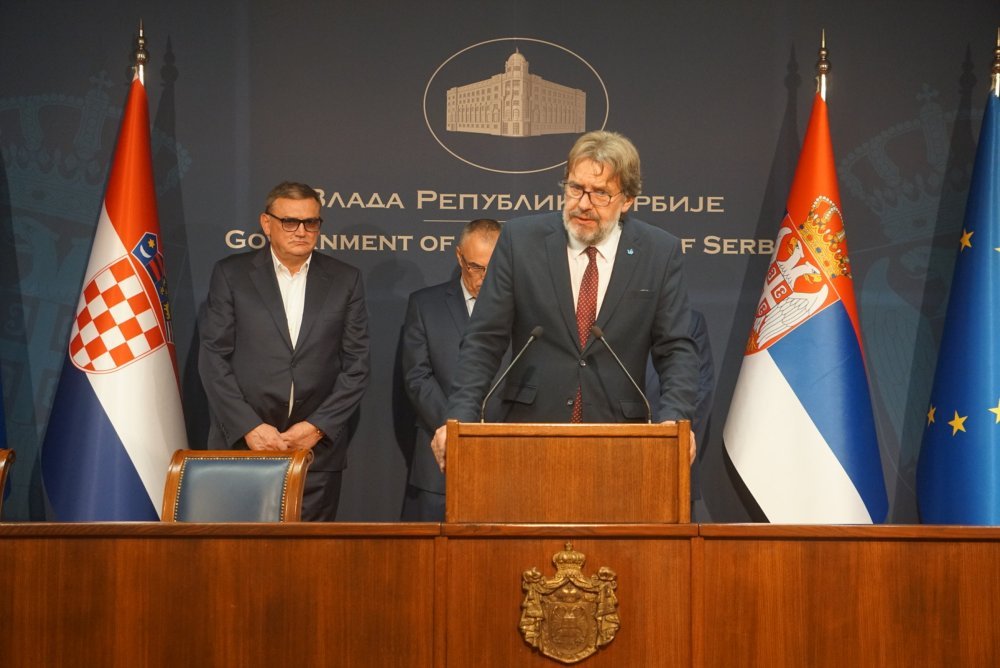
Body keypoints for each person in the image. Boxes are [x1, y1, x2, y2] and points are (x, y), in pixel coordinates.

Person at [430, 130, 700, 470]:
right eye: (575, 188)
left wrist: (675, 421)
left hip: (621, 442)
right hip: (528, 435)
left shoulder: (659, 252)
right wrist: (459, 421)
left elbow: (675, 349)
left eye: (600, 193)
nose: (583, 204)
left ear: (628, 200)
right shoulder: (520, 240)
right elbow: (483, 341)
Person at [199, 181, 370, 521]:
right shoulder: (232, 274)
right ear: (267, 223)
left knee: (308, 552)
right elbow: (213, 358)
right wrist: (249, 427)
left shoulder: (345, 279)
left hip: (315, 454)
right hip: (244, 446)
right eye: (290, 222)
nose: (302, 231)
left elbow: (357, 366)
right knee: (238, 550)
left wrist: (317, 427)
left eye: (311, 222)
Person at [400, 219, 502, 521]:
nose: (485, 278)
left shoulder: (526, 307)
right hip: (441, 455)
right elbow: (418, 377)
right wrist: (458, 428)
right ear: (459, 257)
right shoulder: (425, 305)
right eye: (476, 268)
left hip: (506, 454)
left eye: (494, 268)